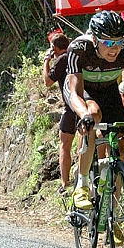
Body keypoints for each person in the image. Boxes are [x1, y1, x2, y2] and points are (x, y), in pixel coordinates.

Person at [63, 10, 124, 210]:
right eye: (107, 43)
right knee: (93, 114)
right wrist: (85, 117)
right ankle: (81, 185)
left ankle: (112, 211)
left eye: (117, 42)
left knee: (120, 144)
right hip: (82, 90)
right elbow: (75, 93)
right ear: (94, 39)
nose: (114, 49)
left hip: (108, 89)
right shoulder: (79, 48)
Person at [42, 31, 77, 193]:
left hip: (71, 107)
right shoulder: (75, 55)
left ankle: (65, 183)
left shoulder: (62, 59)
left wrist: (46, 61)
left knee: (64, 145)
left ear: (54, 48)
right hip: (87, 103)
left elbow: (48, 81)